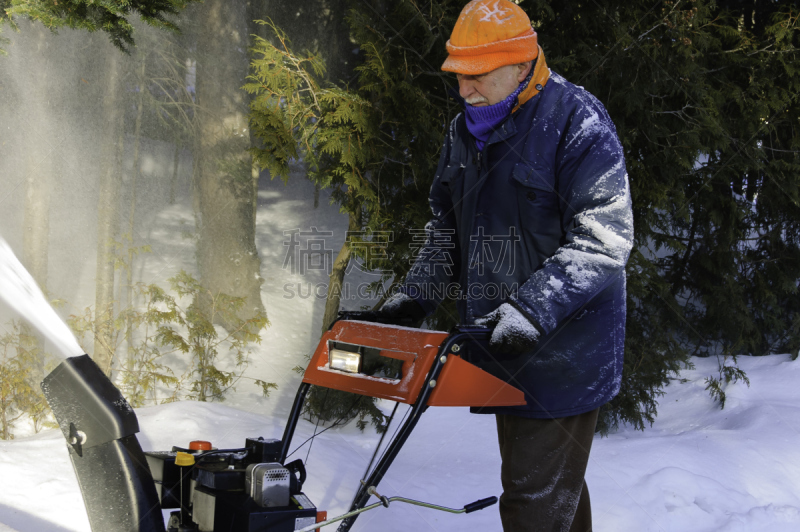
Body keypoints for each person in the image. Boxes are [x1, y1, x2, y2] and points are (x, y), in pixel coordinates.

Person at [378, 1, 634, 530]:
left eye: (477, 76)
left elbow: (603, 239)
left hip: (566, 351)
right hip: (504, 347)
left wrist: (530, 311)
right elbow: (447, 229)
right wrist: (413, 299)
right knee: (545, 490)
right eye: (458, 77)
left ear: (521, 66)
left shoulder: (577, 122)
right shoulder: (464, 132)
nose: (465, 90)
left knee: (531, 501)